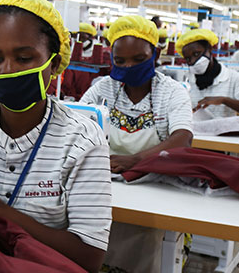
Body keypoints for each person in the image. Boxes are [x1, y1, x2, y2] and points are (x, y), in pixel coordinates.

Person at [0, 0, 111, 273]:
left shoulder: (83, 140)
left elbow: (88, 258)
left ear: (54, 64)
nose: (8, 70)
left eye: (24, 58)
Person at [80, 15, 193, 173]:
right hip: (106, 174)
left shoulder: (171, 92)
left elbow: (183, 139)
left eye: (139, 59)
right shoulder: (103, 89)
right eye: (120, 61)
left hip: (156, 177)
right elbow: (77, 127)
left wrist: (136, 160)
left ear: (156, 55)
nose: (129, 66)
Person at [179, 28, 239, 118]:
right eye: (188, 59)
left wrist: (224, 100)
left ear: (209, 49)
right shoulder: (187, 79)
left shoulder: (233, 78)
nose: (193, 61)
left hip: (225, 131)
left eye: (197, 54)